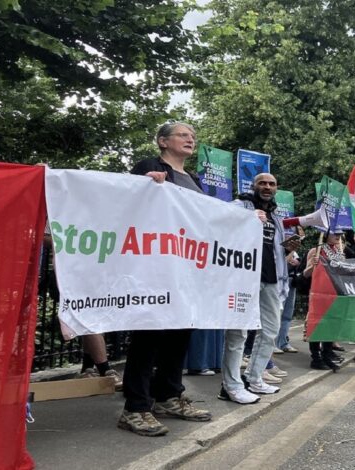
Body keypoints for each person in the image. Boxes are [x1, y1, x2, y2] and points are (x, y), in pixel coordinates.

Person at [118, 121, 211, 437]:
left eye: (192, 135)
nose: (190, 138)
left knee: (179, 335)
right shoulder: (149, 166)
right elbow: (125, 203)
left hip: (185, 272)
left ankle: (168, 397)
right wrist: (145, 185)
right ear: (162, 141)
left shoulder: (193, 179)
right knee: (149, 337)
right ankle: (136, 407)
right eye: (183, 134)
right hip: (155, 268)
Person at [218, 172, 301, 403]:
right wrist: (246, 217)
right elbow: (219, 219)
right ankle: (230, 386)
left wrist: (287, 250)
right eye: (262, 183)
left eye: (271, 184)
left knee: (271, 330)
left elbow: (272, 251)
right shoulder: (239, 205)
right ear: (253, 186)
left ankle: (254, 378)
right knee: (238, 333)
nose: (267, 187)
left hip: (271, 279)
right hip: (244, 278)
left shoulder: (275, 216)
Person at [303, 231, 347, 370]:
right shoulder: (316, 250)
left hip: (334, 292)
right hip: (319, 292)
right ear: (326, 234)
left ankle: (327, 354)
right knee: (317, 324)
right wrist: (313, 265)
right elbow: (305, 273)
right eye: (335, 233)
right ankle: (316, 358)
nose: (338, 235)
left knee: (332, 325)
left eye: (340, 233)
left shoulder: (339, 251)